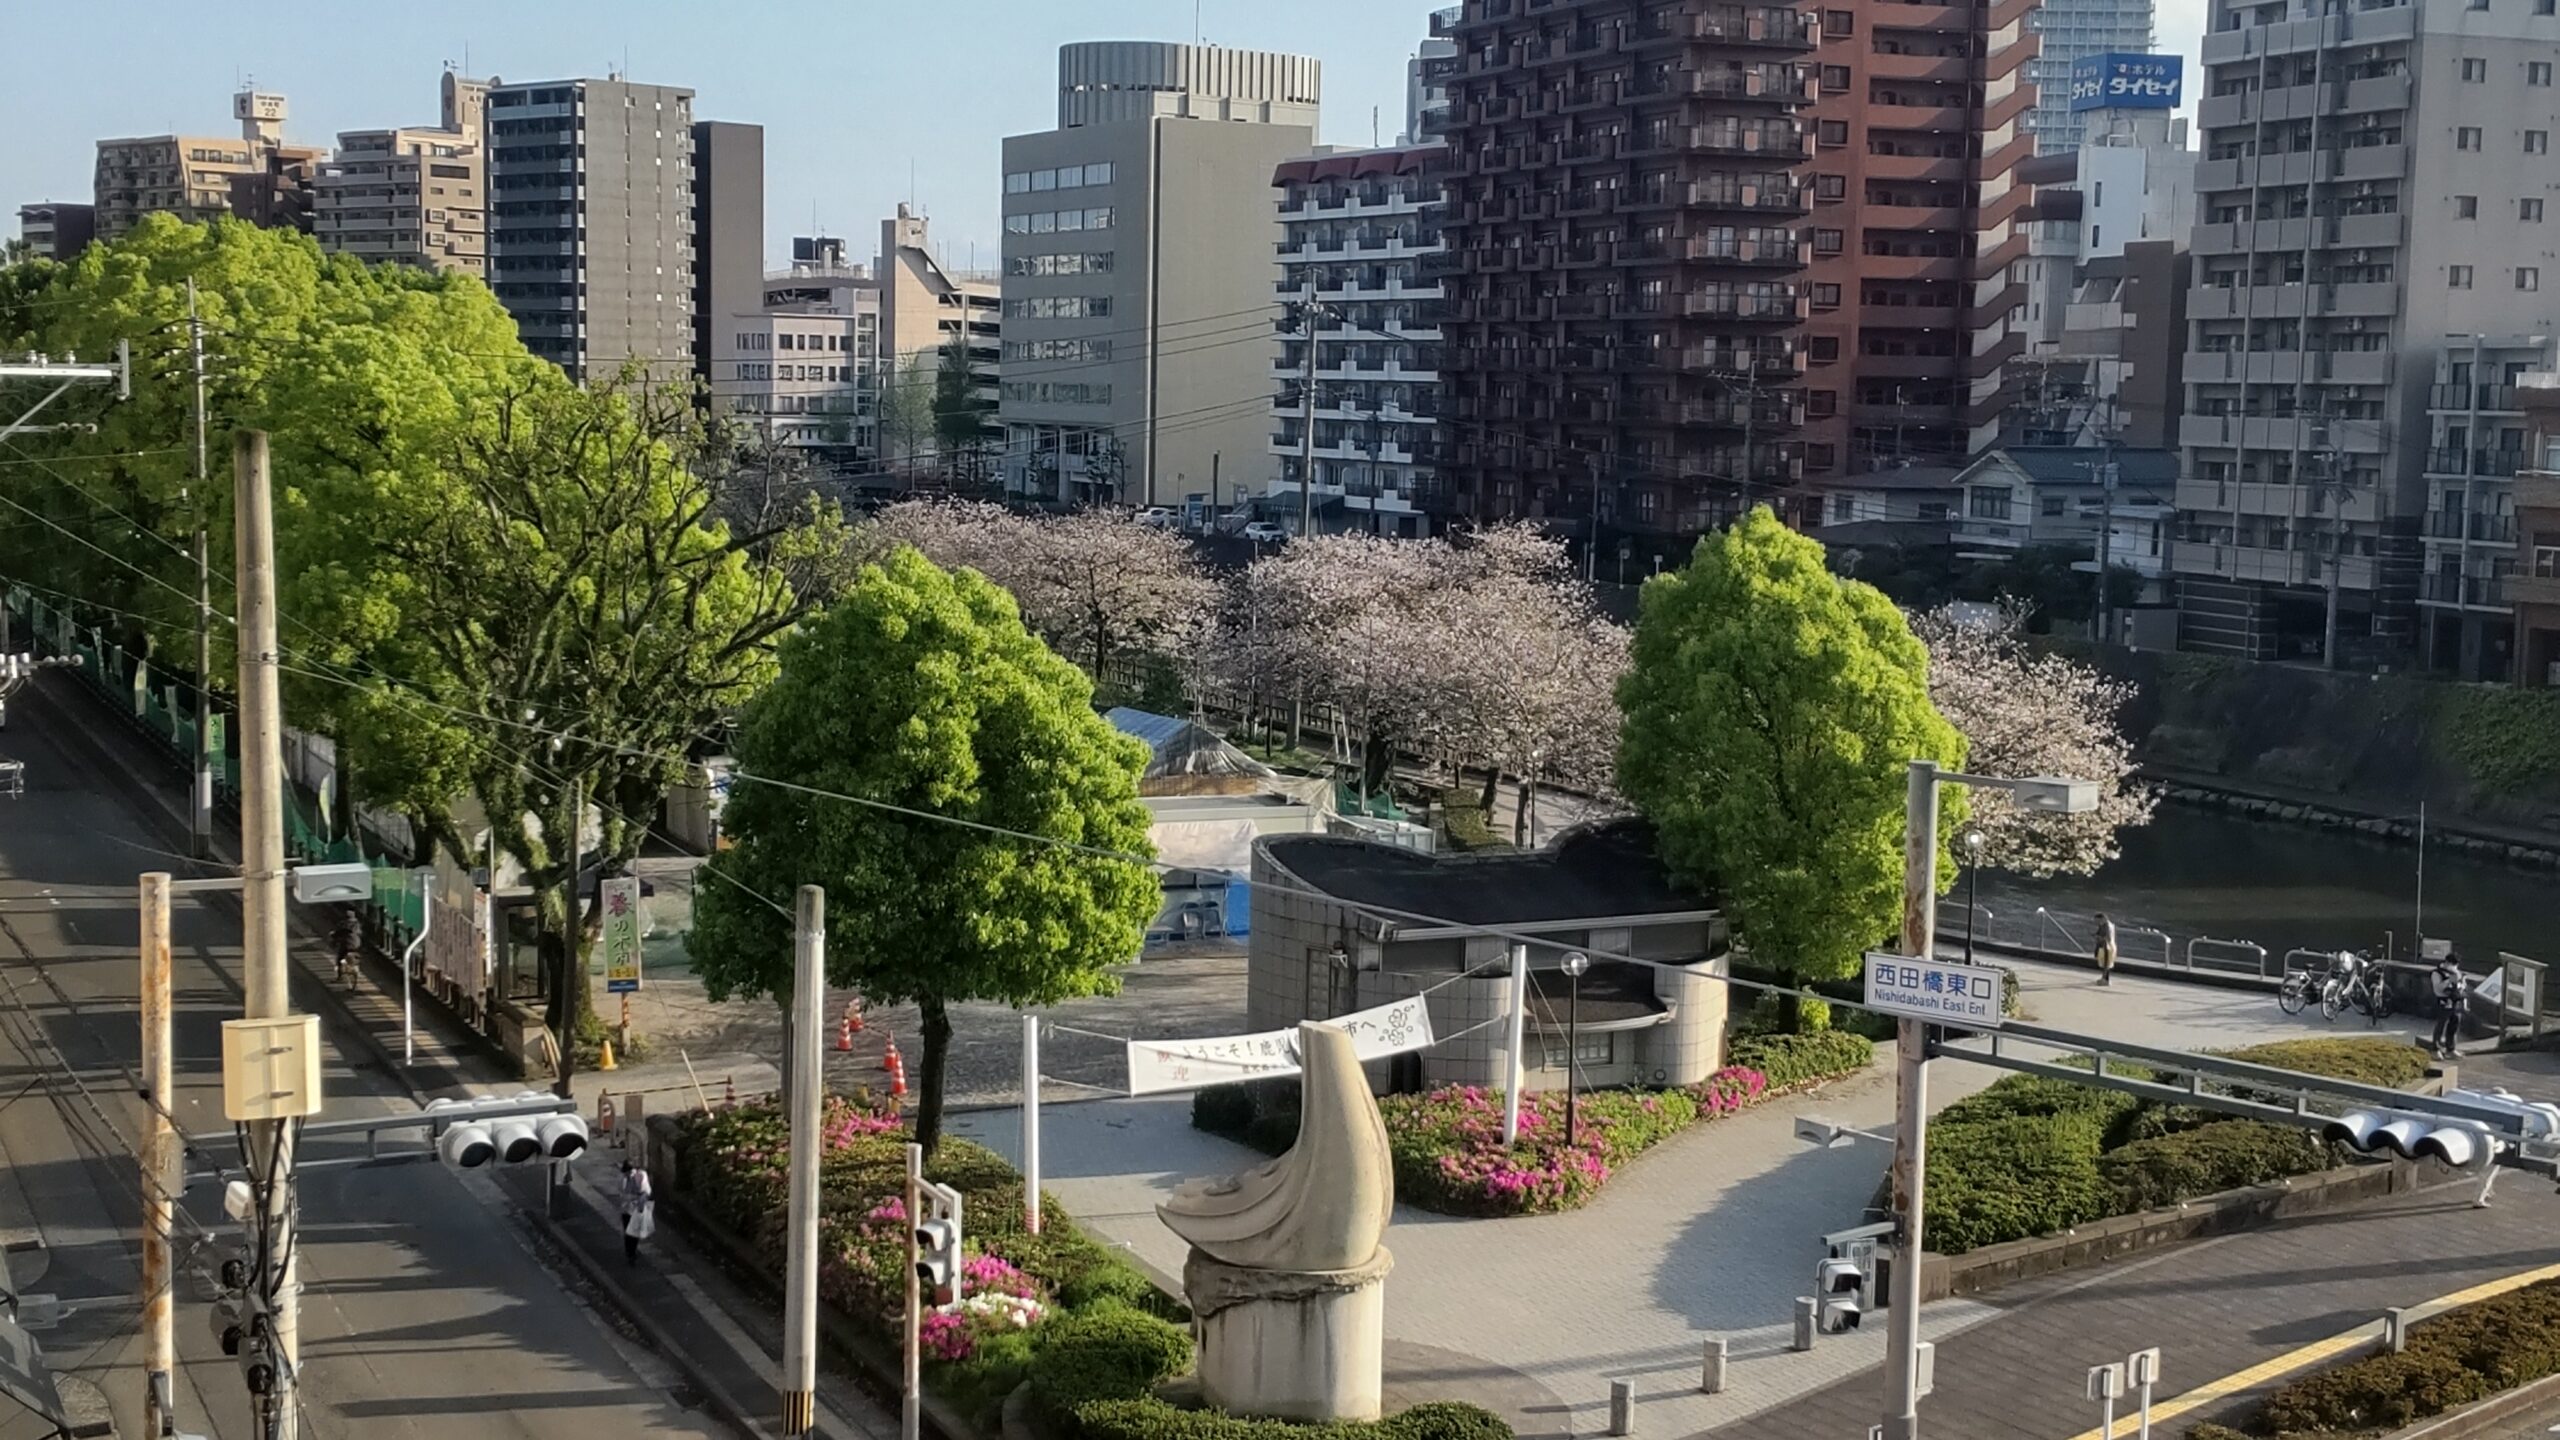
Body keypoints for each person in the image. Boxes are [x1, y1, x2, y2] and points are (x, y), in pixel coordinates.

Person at [2431, 948, 2469, 1060]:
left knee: (2454, 1025)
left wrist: (2461, 985)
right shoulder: (2437, 973)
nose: (2454, 967)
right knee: (2441, 1025)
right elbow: (2437, 989)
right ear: (2446, 962)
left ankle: (2451, 1049)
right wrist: (2448, 981)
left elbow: (2464, 986)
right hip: (2444, 1001)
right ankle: (2435, 1049)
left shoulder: (2459, 973)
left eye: (2456, 965)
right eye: (2452, 964)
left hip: (2456, 1002)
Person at [619, 1160, 654, 1264]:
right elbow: (621, 1192)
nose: (628, 1175)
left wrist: (638, 1201)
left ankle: (632, 1252)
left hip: (637, 1208)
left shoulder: (642, 1176)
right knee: (627, 1231)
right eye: (626, 1173)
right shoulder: (622, 1178)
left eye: (630, 1172)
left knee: (634, 1231)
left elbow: (646, 1192)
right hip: (626, 1208)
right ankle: (629, 1252)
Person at [2093, 912, 2118, 987]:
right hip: (2106, 946)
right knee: (2105, 963)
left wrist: (2099, 938)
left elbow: (2108, 938)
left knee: (2106, 963)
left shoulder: (2107, 926)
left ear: (2102, 919)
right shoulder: (2104, 925)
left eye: (2097, 920)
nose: (2096, 922)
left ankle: (2105, 979)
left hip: (2107, 946)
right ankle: (2105, 978)